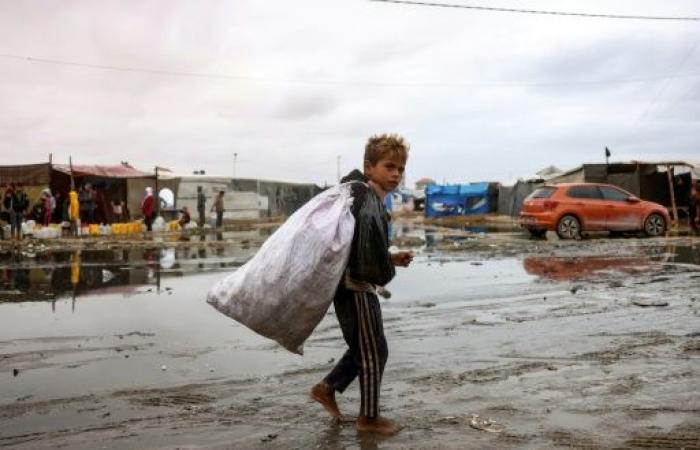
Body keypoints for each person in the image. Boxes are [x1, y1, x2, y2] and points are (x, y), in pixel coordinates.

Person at [310, 133, 413, 435]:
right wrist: (384, 273)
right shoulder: (367, 199)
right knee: (372, 352)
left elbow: (357, 246)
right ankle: (368, 418)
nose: (395, 174)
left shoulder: (371, 199)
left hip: (353, 285)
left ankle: (327, 388)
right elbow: (364, 255)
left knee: (367, 347)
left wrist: (390, 259)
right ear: (369, 167)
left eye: (400, 169)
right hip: (355, 287)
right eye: (389, 166)